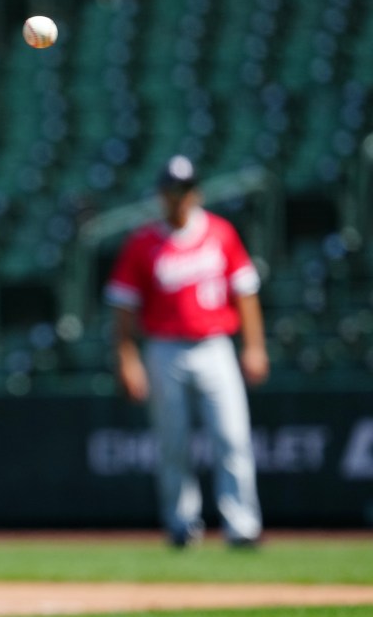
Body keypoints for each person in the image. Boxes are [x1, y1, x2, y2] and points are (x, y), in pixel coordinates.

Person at [105, 155, 269, 548]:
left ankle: (242, 525)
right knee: (172, 442)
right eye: (171, 190)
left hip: (215, 344)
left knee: (232, 437)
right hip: (165, 349)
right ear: (162, 194)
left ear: (196, 192)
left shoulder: (221, 233)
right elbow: (123, 306)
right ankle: (181, 524)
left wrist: (255, 346)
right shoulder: (143, 242)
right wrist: (127, 357)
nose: (178, 197)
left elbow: (245, 292)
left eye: (184, 189)